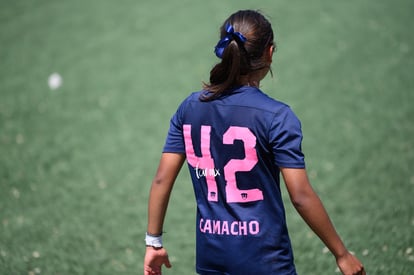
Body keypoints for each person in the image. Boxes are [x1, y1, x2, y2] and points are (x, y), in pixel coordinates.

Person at [144, 9, 365, 275]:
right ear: (269, 53)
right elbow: (301, 196)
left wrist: (153, 242)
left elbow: (161, 180)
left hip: (211, 257)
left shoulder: (189, 108)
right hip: (265, 260)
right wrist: (341, 254)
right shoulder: (277, 117)